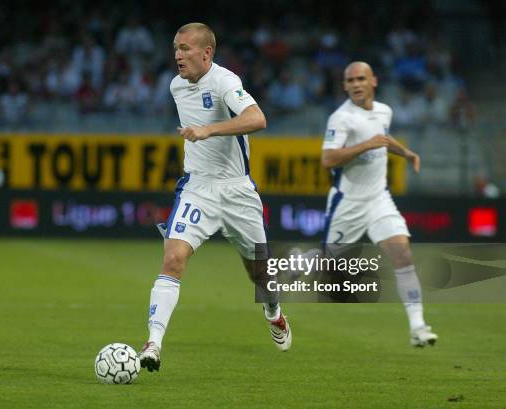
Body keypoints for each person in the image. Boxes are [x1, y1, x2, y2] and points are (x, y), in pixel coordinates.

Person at [139, 22, 292, 372]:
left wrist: (209, 129)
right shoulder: (176, 86)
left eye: (185, 48)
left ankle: (274, 312)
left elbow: (257, 118)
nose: (178, 55)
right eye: (175, 48)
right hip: (198, 188)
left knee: (260, 274)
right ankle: (153, 344)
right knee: (173, 258)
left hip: (238, 191)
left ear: (206, 53)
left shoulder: (226, 82)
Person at [320, 61, 438, 347]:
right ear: (345, 85)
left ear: (374, 81)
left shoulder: (385, 111)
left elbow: (382, 139)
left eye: (361, 78)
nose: (356, 84)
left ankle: (418, 326)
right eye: (350, 80)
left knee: (403, 256)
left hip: (378, 199)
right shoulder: (341, 118)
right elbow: (328, 160)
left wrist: (407, 153)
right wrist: (364, 145)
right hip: (347, 202)